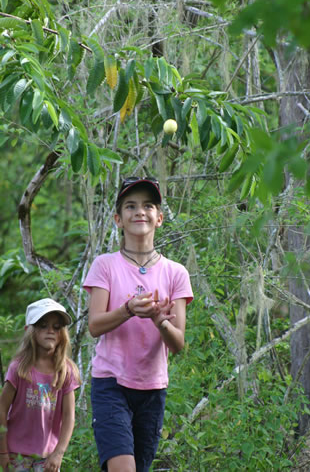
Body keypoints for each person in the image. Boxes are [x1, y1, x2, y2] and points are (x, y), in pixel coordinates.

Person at [83, 177, 193, 472]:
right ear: (119, 219)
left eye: (148, 205)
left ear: (159, 217)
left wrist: (160, 322)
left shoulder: (176, 273)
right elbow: (95, 325)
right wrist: (129, 309)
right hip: (111, 384)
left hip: (153, 387)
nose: (139, 212)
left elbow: (178, 343)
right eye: (130, 206)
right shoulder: (104, 265)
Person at [0, 298, 81, 472]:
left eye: (56, 327)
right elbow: (2, 407)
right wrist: (3, 452)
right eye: (43, 325)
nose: (50, 331)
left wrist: (58, 453)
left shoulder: (65, 371)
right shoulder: (19, 368)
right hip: (17, 456)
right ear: (29, 330)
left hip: (47, 458)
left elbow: (69, 416)